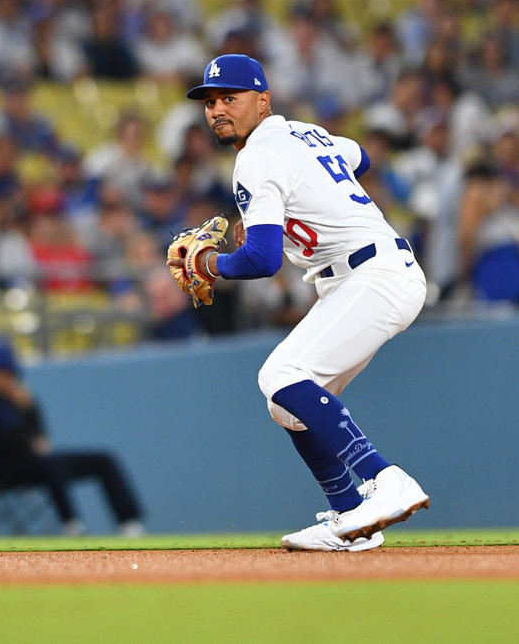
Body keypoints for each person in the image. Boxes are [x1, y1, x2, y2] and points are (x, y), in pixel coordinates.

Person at [169, 54, 429, 552]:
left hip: (369, 275)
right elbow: (360, 158)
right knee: (287, 406)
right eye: (211, 101)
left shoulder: (256, 158)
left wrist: (209, 265)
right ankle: (351, 515)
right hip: (370, 275)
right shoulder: (306, 133)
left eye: (231, 98)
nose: (218, 109)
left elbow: (262, 260)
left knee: (280, 375)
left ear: (262, 99)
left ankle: (385, 480)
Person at [0, 338, 145, 536]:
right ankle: (72, 525)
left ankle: (130, 523)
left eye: (6, 374)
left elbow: (38, 436)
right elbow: (7, 442)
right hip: (1, 470)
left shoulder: (16, 400)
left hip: (33, 462)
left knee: (104, 460)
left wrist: (29, 410)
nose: (3, 379)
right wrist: (27, 422)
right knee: (52, 464)